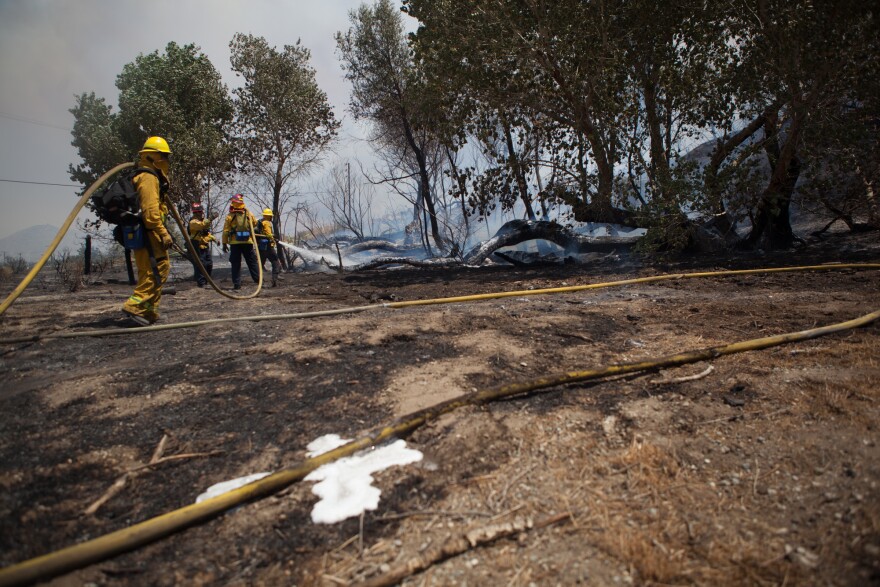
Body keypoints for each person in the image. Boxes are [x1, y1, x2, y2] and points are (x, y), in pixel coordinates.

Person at [121, 136, 174, 326]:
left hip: (142, 233)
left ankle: (149, 312)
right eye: (163, 156)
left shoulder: (143, 175)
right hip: (149, 233)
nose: (166, 160)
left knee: (149, 271)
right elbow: (151, 215)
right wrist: (164, 233)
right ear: (152, 156)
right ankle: (135, 305)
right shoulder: (148, 177)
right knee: (158, 269)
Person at [221, 194, 260, 290]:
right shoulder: (248, 213)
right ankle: (258, 280)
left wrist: (224, 243)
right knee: (252, 262)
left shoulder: (230, 216)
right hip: (248, 242)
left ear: (233, 203)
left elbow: (226, 231)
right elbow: (255, 223)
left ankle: (237, 284)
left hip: (235, 243)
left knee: (236, 263)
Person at [188, 202, 217, 287]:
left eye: (201, 212)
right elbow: (202, 225)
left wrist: (215, 239)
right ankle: (201, 282)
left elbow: (206, 234)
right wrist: (211, 218)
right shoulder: (193, 222)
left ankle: (207, 280)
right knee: (201, 264)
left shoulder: (202, 221)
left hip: (204, 245)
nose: (201, 213)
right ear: (196, 213)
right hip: (196, 245)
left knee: (209, 263)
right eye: (200, 212)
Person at [255, 208, 282, 287]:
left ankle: (260, 281)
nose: (271, 218)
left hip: (261, 247)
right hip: (269, 247)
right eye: (270, 216)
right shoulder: (267, 223)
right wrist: (274, 238)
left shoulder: (261, 222)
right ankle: (274, 280)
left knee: (260, 265)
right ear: (268, 216)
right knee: (276, 263)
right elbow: (268, 234)